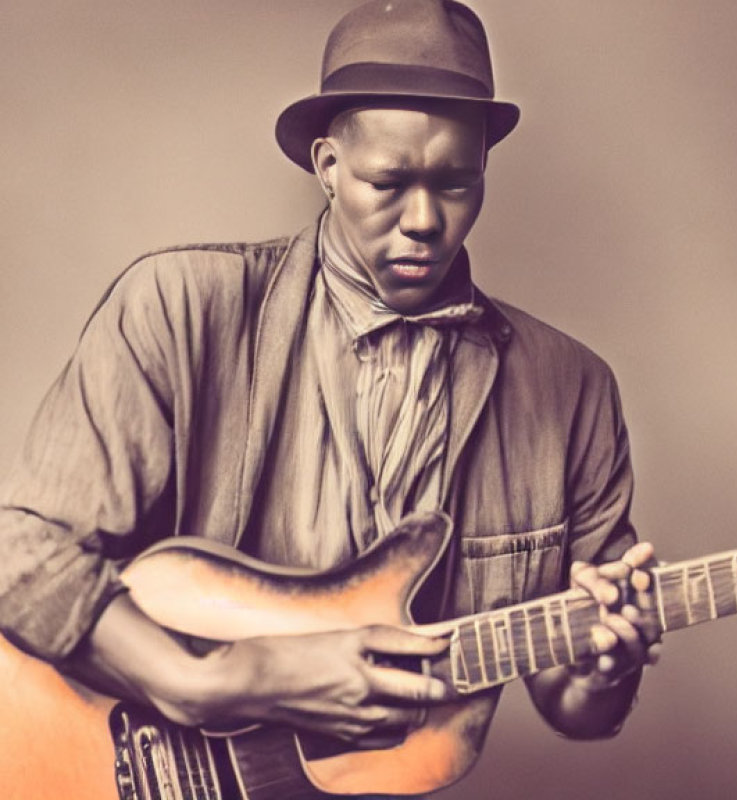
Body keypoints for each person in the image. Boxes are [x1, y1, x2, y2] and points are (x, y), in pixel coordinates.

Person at [0, 0, 660, 794]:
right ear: (326, 165)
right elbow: (19, 557)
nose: (424, 220)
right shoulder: (178, 307)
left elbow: (573, 705)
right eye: (388, 181)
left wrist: (602, 668)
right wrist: (212, 682)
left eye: (457, 184)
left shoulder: (572, 388)